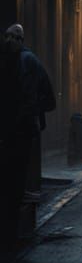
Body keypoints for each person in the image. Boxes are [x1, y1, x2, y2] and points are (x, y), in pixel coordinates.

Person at [0, 24, 55, 247]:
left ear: (20, 40)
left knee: (14, 180)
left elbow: (48, 99)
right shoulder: (12, 61)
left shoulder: (27, 61)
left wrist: (29, 111)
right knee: (12, 179)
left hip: (20, 130)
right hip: (14, 128)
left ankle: (11, 233)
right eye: (7, 36)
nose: (8, 40)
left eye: (13, 37)